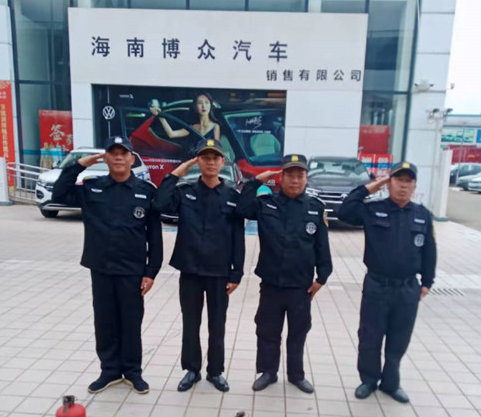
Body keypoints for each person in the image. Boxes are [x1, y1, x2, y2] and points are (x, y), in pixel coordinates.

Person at [52, 136, 163, 395]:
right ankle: (110, 371)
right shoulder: (92, 187)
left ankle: (133, 372)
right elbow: (60, 193)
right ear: (105, 158)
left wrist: (151, 271)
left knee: (131, 322)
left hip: (132, 271)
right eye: (113, 153)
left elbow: (154, 237)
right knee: (104, 322)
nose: (119, 157)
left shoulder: (146, 191)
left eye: (124, 153)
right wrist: (80, 164)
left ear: (132, 158)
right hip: (101, 268)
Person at [338, 161, 437, 403]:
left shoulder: (422, 215)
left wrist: (427, 282)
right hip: (377, 285)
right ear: (389, 183)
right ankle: (369, 380)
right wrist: (370, 187)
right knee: (369, 337)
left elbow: (429, 251)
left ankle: (391, 384)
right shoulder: (373, 210)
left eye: (408, 181)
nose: (403, 185)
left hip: (407, 288)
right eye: (398, 180)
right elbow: (345, 212)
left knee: (399, 338)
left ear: (414, 186)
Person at [154, 138, 245, 392]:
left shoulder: (232, 197)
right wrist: (177, 173)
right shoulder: (185, 192)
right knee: (190, 323)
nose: (210, 162)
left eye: (215, 158)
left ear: (222, 162)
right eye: (205, 158)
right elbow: (160, 204)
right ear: (198, 162)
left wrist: (237, 273)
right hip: (191, 270)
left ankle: (215, 371)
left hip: (219, 272)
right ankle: (192, 370)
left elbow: (238, 237)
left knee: (217, 325)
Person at [237, 154, 333, 394]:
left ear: (306, 178)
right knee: (267, 330)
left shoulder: (315, 208)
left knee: (298, 332)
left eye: (300, 175)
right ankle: (267, 372)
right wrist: (256, 181)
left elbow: (322, 246)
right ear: (281, 177)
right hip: (271, 283)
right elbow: (242, 207)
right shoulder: (266, 203)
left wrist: (322, 277)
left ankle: (296, 375)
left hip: (301, 286)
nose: (295, 180)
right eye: (290, 175)